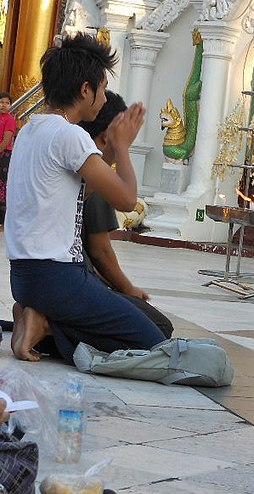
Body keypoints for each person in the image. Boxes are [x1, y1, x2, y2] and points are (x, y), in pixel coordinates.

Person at [6, 32, 166, 364]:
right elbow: (126, 200)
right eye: (103, 89)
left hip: (24, 277)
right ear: (85, 89)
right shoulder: (71, 134)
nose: (105, 99)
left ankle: (35, 316)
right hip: (58, 277)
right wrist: (122, 146)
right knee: (152, 339)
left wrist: (107, 151)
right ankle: (46, 324)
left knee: (144, 325)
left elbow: (75, 194)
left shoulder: (29, 130)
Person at [77, 90, 173, 339]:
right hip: (74, 281)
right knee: (159, 330)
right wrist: (127, 288)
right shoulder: (95, 174)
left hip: (47, 275)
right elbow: (100, 249)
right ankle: (49, 330)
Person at [0, 91, 16, 225]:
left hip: (4, 155)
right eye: (1, 102)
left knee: (2, 186)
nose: (4, 105)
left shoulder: (10, 119)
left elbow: (6, 141)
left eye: (7, 103)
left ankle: (1, 220)